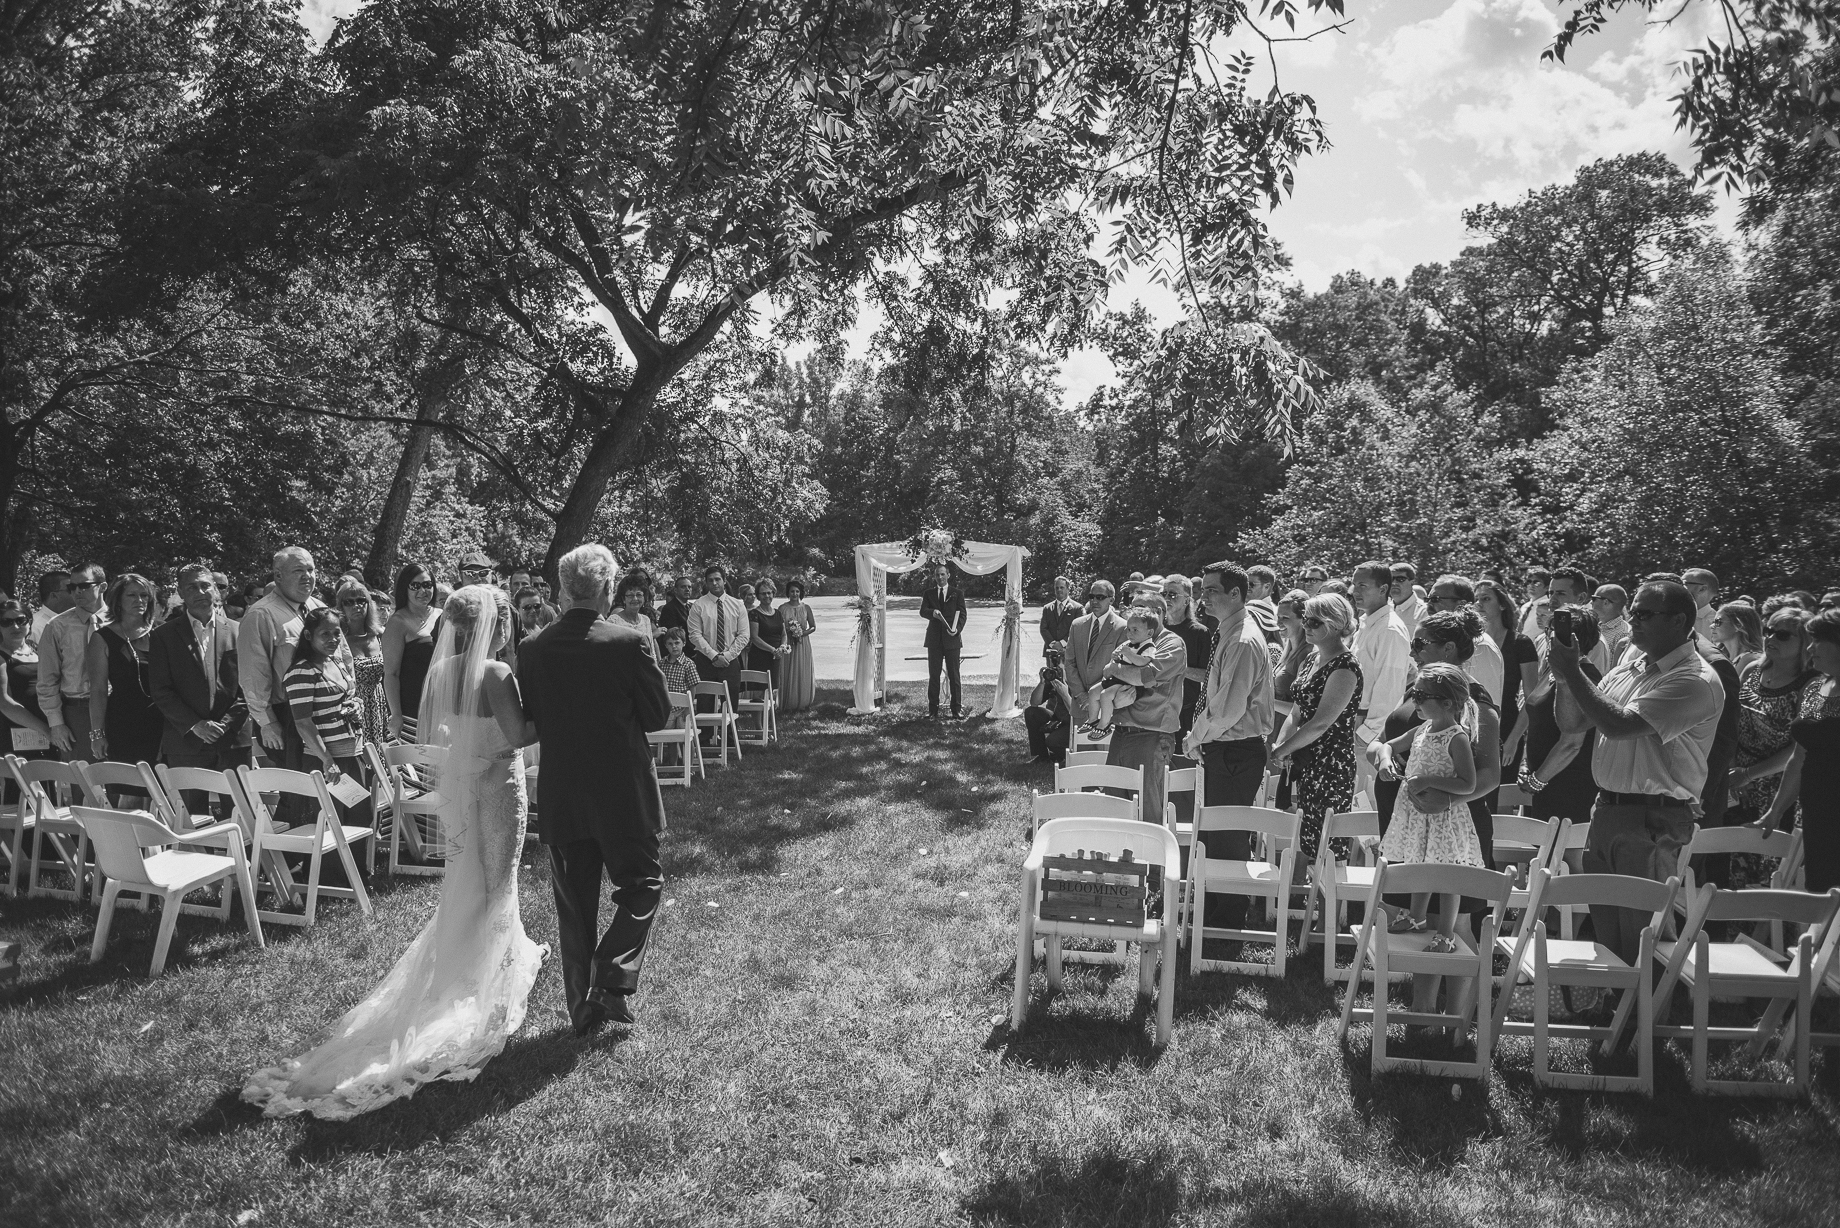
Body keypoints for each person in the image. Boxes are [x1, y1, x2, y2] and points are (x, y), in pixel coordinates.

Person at [245, 585, 547, 1118]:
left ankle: (477, 958)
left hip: (462, 785)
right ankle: (488, 979)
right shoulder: (496, 672)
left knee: (467, 876)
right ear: (494, 625)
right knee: (499, 877)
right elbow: (519, 736)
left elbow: (439, 732)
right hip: (499, 786)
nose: (509, 630)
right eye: (504, 621)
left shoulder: (443, 669)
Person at [519, 544, 671, 1034]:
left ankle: (582, 1010)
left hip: (564, 791)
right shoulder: (629, 642)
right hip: (622, 790)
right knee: (643, 884)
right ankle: (609, 977)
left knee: (574, 907)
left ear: (563, 590)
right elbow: (657, 715)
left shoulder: (533, 648)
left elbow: (533, 717)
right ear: (607, 588)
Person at [1550, 579, 1723, 964]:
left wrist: (1573, 673)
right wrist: (1563, 678)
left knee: (1647, 944)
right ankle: (1621, 1004)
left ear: (1678, 621)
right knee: (1610, 942)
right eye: (1633, 613)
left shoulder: (1694, 679)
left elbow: (1620, 725)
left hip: (1651, 819)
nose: (1634, 622)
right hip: (1608, 812)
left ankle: (1658, 1005)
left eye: (1645, 614)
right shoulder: (1629, 669)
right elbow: (1573, 723)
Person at [1187, 561, 1275, 935]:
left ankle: (1226, 924)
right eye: (1202, 589)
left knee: (1227, 838)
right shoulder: (1229, 631)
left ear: (1236, 593)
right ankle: (1213, 914)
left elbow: (1227, 708)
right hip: (1225, 747)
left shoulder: (1242, 640)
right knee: (1213, 835)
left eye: (1212, 590)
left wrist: (1195, 737)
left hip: (1236, 749)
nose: (1203, 597)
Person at [1373, 663, 1485, 952]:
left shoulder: (1456, 737)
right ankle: (1417, 917)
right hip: (1419, 815)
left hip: (1444, 817)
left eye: (1421, 696)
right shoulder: (1423, 729)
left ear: (1446, 703)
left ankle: (1446, 933)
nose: (1415, 701)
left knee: (1446, 875)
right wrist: (1385, 761)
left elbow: (1468, 783)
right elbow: (1388, 746)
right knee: (1419, 864)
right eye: (1414, 694)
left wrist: (1428, 780)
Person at [240, 547, 345, 794]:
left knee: (334, 792)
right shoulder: (260, 615)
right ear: (278, 575)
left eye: (311, 569)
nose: (307, 576)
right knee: (299, 796)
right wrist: (267, 723)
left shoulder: (319, 608)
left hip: (330, 715)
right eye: (298, 570)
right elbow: (253, 674)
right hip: (289, 717)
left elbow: (342, 657)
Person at [1271, 594, 1363, 862]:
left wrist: (1283, 750)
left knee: (1327, 847)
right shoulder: (1310, 659)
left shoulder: (1346, 667)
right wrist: (1281, 744)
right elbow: (1297, 711)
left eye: (1313, 621)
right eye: (1305, 619)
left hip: (1330, 765)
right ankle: (1298, 888)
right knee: (1301, 838)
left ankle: (1328, 891)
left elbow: (1321, 722)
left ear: (1335, 624)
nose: (1305, 626)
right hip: (1303, 759)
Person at [148, 564, 247, 813]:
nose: (200, 592)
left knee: (241, 816)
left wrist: (225, 724)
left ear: (216, 590)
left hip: (232, 739)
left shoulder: (239, 631)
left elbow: (250, 687)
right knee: (190, 820)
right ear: (181, 592)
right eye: (192, 587)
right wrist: (196, 725)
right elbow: (161, 690)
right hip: (187, 742)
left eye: (206, 585)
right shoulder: (163, 636)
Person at [1762, 608, 1840, 892]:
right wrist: (1775, 811)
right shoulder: (1815, 687)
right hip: (1814, 813)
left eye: (1818, 641)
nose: (1809, 648)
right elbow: (1799, 757)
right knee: (1821, 893)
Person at [1096, 597, 1185, 829]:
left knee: (1148, 814)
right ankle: (1118, 852)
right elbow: (1107, 672)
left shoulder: (1171, 644)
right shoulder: (1134, 640)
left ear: (1158, 612)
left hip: (1150, 736)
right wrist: (1114, 670)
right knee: (1114, 806)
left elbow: (1143, 677)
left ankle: (1151, 854)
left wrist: (1115, 668)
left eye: (1140, 610)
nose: (1133, 618)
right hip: (1121, 733)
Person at [284, 609, 372, 830]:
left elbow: (346, 697)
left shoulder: (336, 662)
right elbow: (303, 722)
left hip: (353, 753)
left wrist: (356, 705)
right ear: (308, 635)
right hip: (327, 760)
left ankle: (359, 857)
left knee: (360, 821)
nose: (333, 639)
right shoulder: (301, 672)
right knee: (332, 825)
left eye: (337, 633)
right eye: (325, 634)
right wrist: (327, 761)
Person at [1520, 604, 1603, 828]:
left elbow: (1572, 744)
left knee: (1563, 850)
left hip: (1568, 786)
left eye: (1554, 632)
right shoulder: (1554, 670)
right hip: (1543, 782)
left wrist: (1537, 781)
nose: (1549, 637)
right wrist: (1526, 765)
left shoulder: (1585, 678)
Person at [85, 573, 164, 775]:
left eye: (144, 595)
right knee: (127, 787)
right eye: (132, 595)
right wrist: (97, 734)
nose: (139, 600)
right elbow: (98, 690)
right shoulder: (102, 638)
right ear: (118, 599)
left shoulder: (163, 633)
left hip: (165, 723)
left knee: (164, 787)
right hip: (124, 724)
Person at [37, 563, 108, 760]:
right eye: (72, 587)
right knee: (82, 776)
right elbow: (47, 680)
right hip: (77, 711)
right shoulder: (57, 626)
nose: (77, 591)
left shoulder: (120, 622)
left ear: (102, 586)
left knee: (121, 774)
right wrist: (56, 723)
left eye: (84, 586)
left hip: (116, 708)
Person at [1351, 561, 1410, 792]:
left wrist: (1366, 735)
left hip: (1369, 731)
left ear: (1383, 589)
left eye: (1363, 585)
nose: (1355, 591)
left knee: (1365, 802)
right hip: (1356, 724)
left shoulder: (1389, 630)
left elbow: (1390, 690)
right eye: (1354, 584)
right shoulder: (1367, 624)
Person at [1477, 578, 1539, 769]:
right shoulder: (1470, 643)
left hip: (1507, 727)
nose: (1479, 604)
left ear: (1502, 604)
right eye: (1476, 599)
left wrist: (1513, 740)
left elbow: (1531, 698)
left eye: (1486, 599)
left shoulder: (1521, 643)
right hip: (1472, 726)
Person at [686, 564, 746, 739]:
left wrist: (727, 656)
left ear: (724, 581)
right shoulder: (698, 606)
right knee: (705, 702)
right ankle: (704, 740)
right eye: (710, 580)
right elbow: (694, 635)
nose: (714, 583)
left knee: (731, 702)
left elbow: (744, 635)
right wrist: (713, 655)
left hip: (730, 661)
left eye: (718, 579)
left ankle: (730, 740)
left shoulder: (737, 605)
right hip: (705, 661)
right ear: (706, 582)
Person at [382, 563, 441, 740]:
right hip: (412, 709)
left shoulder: (442, 615)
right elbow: (391, 674)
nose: (423, 591)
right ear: (404, 588)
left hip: (442, 704)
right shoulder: (397, 622)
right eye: (415, 586)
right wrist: (396, 715)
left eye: (427, 585)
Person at [1084, 609, 1159, 734]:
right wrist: (1116, 657)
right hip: (1116, 678)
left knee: (1105, 695)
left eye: (1135, 630)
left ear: (1149, 632)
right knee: (1092, 692)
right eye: (1128, 629)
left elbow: (1143, 662)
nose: (1130, 634)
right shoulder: (1129, 644)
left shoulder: (1149, 647)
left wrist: (1129, 654)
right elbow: (1118, 658)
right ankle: (1092, 719)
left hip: (1127, 683)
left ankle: (1104, 724)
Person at [334, 577, 388, 747]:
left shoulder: (380, 635)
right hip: (354, 708)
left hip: (379, 703)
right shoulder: (338, 639)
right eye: (349, 602)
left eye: (361, 600)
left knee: (380, 753)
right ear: (341, 606)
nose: (356, 606)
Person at [1431, 574, 1501, 705]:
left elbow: (1486, 704)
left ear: (1461, 604)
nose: (1429, 604)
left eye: (1435, 599)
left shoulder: (1480, 645)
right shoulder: (1442, 640)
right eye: (1428, 599)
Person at [1064, 580, 1127, 725]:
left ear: (1111, 600)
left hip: (1106, 707)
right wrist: (1080, 694)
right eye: (1091, 596)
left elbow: (1119, 668)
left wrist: (1093, 695)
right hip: (1080, 705)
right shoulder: (1077, 625)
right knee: (1077, 740)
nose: (1094, 601)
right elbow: (1069, 662)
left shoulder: (1122, 628)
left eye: (1100, 597)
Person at [0, 599, 54, 767]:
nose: (15, 626)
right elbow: (4, 703)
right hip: (15, 738)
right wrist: (45, 730)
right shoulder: (1, 657)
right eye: (6, 622)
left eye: (21, 620)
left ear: (29, 622)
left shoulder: (37, 648)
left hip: (50, 734)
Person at [1161, 575, 1211, 735]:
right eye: (1164, 594)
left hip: (1185, 712)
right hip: (1154, 709)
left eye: (1172, 594)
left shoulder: (1199, 633)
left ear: (1186, 600)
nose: (1167, 598)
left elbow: (1207, 676)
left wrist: (1178, 669)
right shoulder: (1155, 628)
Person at [918, 561, 966, 720]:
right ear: (934, 577)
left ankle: (956, 710)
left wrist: (956, 630)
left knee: (954, 676)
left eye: (943, 574)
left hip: (952, 640)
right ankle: (933, 710)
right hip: (934, 640)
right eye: (937, 575)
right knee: (934, 676)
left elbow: (963, 615)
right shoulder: (928, 593)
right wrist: (932, 613)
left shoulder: (957, 593)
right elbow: (923, 611)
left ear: (948, 575)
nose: (940, 577)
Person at [1023, 648, 1074, 765]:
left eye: (1061, 669)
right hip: (1059, 718)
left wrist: (1065, 694)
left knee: (1052, 741)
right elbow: (1034, 702)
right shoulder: (1055, 679)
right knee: (1031, 713)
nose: (1058, 672)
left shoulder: (1078, 682)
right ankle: (1042, 756)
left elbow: (1076, 714)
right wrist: (1042, 683)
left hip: (1073, 722)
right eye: (1057, 669)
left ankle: (1065, 756)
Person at [747, 576, 790, 698]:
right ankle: (758, 711)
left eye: (769, 593)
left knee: (774, 691)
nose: (767, 596)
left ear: (773, 593)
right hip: (760, 657)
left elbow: (783, 634)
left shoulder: (778, 613)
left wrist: (782, 647)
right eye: (763, 593)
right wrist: (772, 650)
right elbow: (754, 637)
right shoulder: (754, 614)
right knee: (759, 694)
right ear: (758, 595)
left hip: (776, 657)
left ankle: (773, 711)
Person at [778, 579, 817, 712]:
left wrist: (801, 633)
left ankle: (803, 701)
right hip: (787, 643)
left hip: (802, 643)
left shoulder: (806, 608)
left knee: (802, 669)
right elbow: (778, 627)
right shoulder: (782, 608)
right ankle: (787, 701)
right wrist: (788, 633)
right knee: (787, 669)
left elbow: (813, 626)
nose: (794, 594)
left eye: (797, 591)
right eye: (792, 591)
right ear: (788, 593)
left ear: (801, 593)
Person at [1273, 589, 1311, 703]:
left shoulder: (1307, 655)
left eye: (1285, 618)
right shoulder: (1288, 648)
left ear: (1303, 619)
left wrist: (1265, 702)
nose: (1278, 623)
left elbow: (1300, 708)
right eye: (1278, 617)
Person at [1709, 601, 1763, 674]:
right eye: (1713, 622)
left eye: (1717, 621)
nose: (1711, 626)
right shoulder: (1723, 658)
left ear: (1738, 625)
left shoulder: (1751, 659)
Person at [28, 570, 70, 648]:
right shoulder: (34, 628)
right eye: (71, 589)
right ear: (54, 595)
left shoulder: (78, 622)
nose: (77, 592)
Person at [1592, 584, 1632, 665]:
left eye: (1594, 599)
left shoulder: (1623, 633)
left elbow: (1618, 668)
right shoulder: (1596, 626)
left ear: (1605, 602)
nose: (1591, 602)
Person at [1039, 576, 1081, 651]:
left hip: (1069, 650)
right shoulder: (1047, 608)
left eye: (1062, 587)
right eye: (1057, 588)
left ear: (1068, 589)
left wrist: (1062, 643)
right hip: (1050, 650)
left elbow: (1078, 630)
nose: (1059, 590)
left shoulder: (1078, 609)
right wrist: (1052, 644)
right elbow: (1043, 629)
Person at [612, 574, 656, 639]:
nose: (635, 598)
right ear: (623, 599)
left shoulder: (646, 620)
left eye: (639, 595)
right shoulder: (614, 621)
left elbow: (649, 645)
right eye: (630, 595)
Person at [1683, 567, 1720, 644]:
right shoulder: (1672, 616)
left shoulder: (1717, 625)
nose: (1679, 587)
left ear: (1702, 589)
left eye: (1684, 584)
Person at [1390, 562, 1426, 637]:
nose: (1394, 583)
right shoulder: (1383, 609)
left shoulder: (1423, 612)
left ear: (1412, 582)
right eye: (1391, 579)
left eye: (1400, 579)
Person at [1518, 567, 1551, 640]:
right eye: (1529, 582)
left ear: (1547, 587)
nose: (1531, 585)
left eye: (1536, 583)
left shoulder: (1548, 607)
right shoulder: (1525, 607)